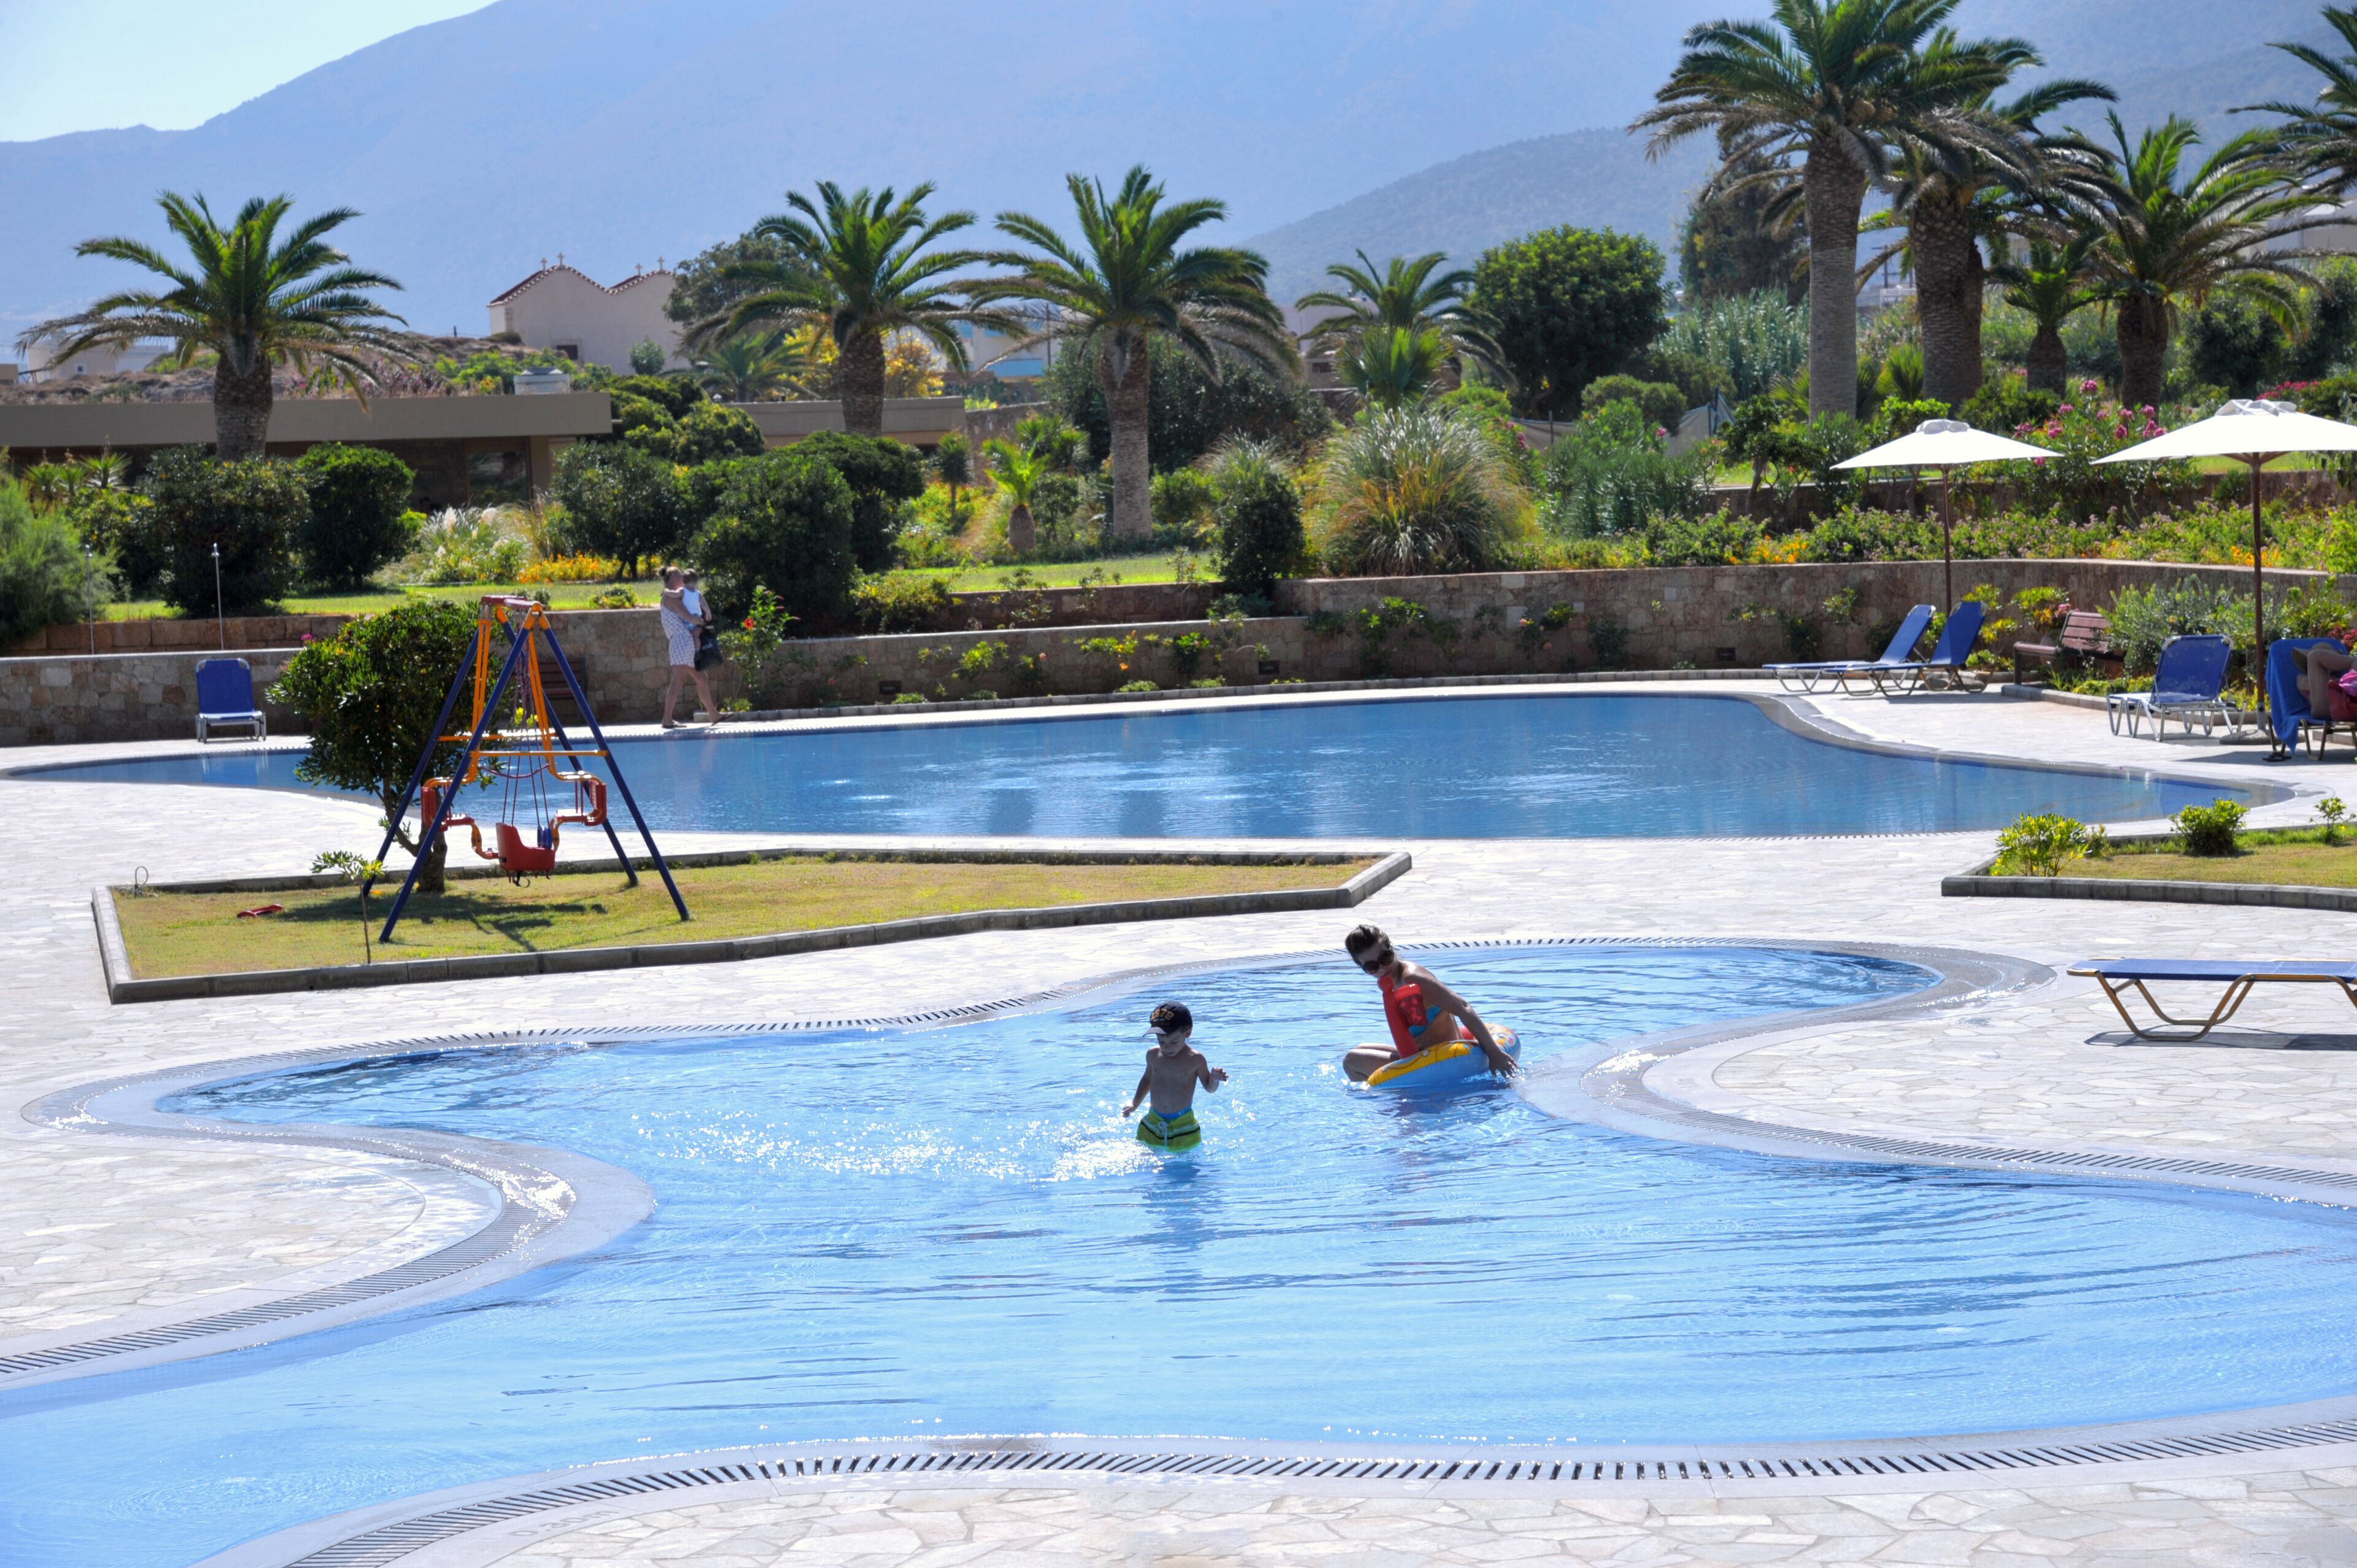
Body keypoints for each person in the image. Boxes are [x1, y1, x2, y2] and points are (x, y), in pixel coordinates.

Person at [1342, 924, 1516, 1082]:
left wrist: (1494, 1053)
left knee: (1351, 1061)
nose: (1381, 968)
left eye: (1385, 957)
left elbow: (1463, 1007)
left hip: (1443, 1058)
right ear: (1362, 967)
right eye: (1372, 967)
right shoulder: (1392, 982)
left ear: (1392, 948)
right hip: (1420, 1055)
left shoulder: (1412, 978)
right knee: (1361, 1048)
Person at [1121, 1000, 1227, 1150]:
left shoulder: (1195, 1059)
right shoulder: (1153, 1055)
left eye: (1174, 1041)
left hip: (1183, 1126)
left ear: (1188, 1033)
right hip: (1153, 1122)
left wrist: (1215, 1079)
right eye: (1162, 1042)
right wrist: (1135, 1104)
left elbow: (1210, 1088)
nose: (1167, 1047)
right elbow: (1147, 1079)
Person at [657, 565, 717, 730]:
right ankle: (667, 719)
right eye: (679, 576)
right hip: (682, 642)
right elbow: (689, 617)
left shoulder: (674, 597)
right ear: (673, 580)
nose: (682, 579)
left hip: (684, 642)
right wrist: (703, 622)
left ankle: (713, 714)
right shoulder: (672, 598)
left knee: (701, 678)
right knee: (677, 680)